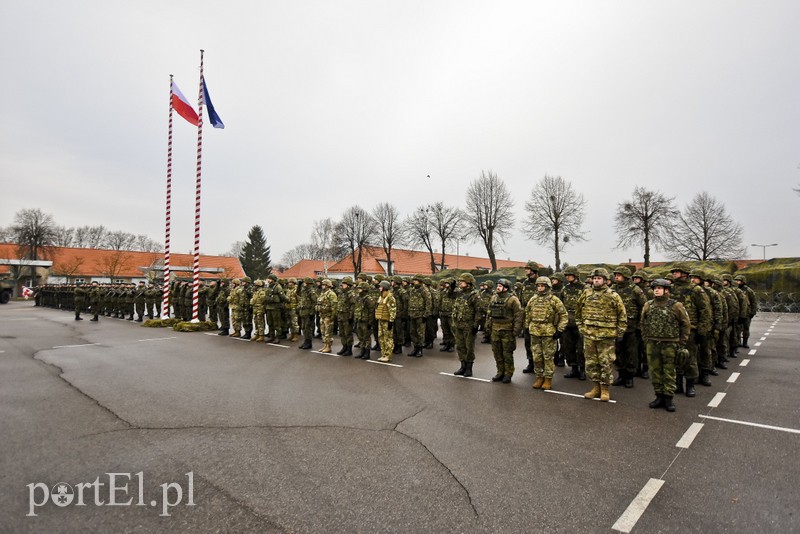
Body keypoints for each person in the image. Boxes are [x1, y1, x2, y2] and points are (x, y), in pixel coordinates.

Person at [575, 268, 627, 402]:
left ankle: (605, 389)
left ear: (605, 280)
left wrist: (620, 332)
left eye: (599, 278)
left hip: (606, 336)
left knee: (606, 363)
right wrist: (581, 328)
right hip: (589, 335)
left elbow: (622, 315)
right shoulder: (586, 293)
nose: (596, 280)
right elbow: (578, 312)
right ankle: (596, 387)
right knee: (592, 363)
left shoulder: (613, 295)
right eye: (594, 278)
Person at [640, 279, 691, 412]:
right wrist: (646, 339)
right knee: (655, 371)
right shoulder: (648, 305)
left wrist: (681, 342)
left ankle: (668, 398)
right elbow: (643, 323)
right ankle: (659, 396)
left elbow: (685, 325)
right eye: (655, 288)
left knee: (669, 372)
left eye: (659, 288)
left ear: (666, 290)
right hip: (652, 343)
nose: (656, 290)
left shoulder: (676, 306)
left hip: (670, 344)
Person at [669, 264, 711, 397]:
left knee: (690, 358)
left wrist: (702, 331)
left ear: (685, 273)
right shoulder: (670, 288)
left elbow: (705, 311)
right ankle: (678, 384)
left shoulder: (696, 290)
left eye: (677, 271)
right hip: (672, 329)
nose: (674, 274)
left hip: (690, 330)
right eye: (674, 271)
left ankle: (690, 385)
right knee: (675, 357)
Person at [525, 276, 568, 390]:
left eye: (542, 286)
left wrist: (559, 330)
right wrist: (527, 326)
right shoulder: (533, 299)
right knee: (537, 356)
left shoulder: (554, 300)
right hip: (534, 332)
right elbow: (527, 313)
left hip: (548, 332)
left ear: (548, 287)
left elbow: (564, 315)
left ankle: (548, 379)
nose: (540, 288)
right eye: (538, 286)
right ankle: (539, 377)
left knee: (548, 357)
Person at [611, 267, 646, 388]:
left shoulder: (635, 289)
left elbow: (644, 307)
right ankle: (621, 374)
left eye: (619, 275)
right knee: (618, 352)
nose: (616, 277)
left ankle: (629, 376)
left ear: (625, 276)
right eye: (615, 275)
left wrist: (639, 325)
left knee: (631, 353)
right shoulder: (612, 289)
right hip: (616, 327)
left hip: (631, 327)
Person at [486, 278, 524, 383]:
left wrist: (516, 330)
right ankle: (500, 372)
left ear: (506, 288)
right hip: (495, 329)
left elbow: (518, 315)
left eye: (500, 286)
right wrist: (487, 326)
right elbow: (489, 313)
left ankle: (508, 374)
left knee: (507, 354)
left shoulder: (513, 299)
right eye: (497, 285)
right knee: (497, 353)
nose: (497, 287)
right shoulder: (493, 297)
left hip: (507, 330)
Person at [451, 273, 482, 377]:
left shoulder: (474, 295)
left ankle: (469, 368)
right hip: (458, 324)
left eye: (462, 281)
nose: (460, 283)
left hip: (469, 325)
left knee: (469, 348)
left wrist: (476, 324)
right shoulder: (459, 293)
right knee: (460, 346)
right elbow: (449, 295)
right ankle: (462, 366)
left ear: (469, 283)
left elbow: (478, 311)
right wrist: (451, 287)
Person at [561, 266, 587, 380]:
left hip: (580, 323)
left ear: (576, 275)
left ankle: (582, 369)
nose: (567, 277)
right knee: (568, 348)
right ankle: (574, 368)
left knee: (581, 349)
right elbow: (561, 305)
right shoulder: (565, 289)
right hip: (567, 323)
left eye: (569, 275)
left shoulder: (585, 289)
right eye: (566, 275)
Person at [518, 261, 540, 374]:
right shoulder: (525, 283)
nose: (526, 270)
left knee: (539, 343)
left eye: (528, 268)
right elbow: (522, 300)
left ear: (533, 270)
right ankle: (530, 363)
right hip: (527, 317)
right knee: (528, 342)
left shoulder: (541, 283)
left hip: (538, 316)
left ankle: (540, 365)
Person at [407, 274, 431, 357]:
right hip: (412, 314)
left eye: (415, 280)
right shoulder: (412, 290)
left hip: (420, 315)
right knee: (412, 332)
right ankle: (415, 348)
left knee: (420, 333)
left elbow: (428, 303)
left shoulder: (424, 290)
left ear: (420, 281)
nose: (414, 281)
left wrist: (426, 315)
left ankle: (420, 349)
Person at [375, 280, 397, 362]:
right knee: (381, 337)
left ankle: (388, 355)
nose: (379, 288)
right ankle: (383, 354)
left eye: (381, 287)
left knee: (388, 338)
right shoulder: (381, 297)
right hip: (381, 320)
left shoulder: (390, 298)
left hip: (387, 321)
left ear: (385, 288)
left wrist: (391, 321)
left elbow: (393, 310)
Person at [734, 275, 758, 348]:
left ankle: (745, 342)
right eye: (736, 280)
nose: (737, 282)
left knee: (746, 328)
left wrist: (753, 312)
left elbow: (753, 301)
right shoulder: (734, 289)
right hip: (738, 312)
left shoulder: (748, 290)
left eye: (739, 281)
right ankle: (738, 342)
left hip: (747, 312)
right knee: (737, 329)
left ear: (743, 281)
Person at [335, 277, 356, 356]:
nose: (342, 285)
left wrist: (351, 316)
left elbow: (353, 306)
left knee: (348, 333)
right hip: (341, 315)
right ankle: (344, 347)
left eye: (344, 284)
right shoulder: (341, 293)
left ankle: (349, 349)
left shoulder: (351, 293)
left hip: (347, 316)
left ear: (348, 285)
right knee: (341, 333)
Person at [354, 281, 375, 359]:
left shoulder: (368, 299)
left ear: (364, 289)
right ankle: (362, 351)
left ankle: (367, 352)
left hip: (366, 321)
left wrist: (370, 322)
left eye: (360, 289)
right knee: (361, 337)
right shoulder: (358, 298)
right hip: (359, 319)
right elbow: (356, 309)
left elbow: (372, 311)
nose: (358, 290)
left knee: (366, 337)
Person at [316, 279, 338, 353]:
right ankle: (325, 345)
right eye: (322, 285)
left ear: (328, 286)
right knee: (323, 332)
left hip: (328, 316)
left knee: (328, 333)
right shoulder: (323, 293)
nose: (322, 286)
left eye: (324, 285)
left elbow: (334, 306)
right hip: (322, 315)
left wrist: (332, 317)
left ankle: (328, 347)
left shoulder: (332, 294)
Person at [298, 277, 318, 350]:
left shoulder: (311, 291)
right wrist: (298, 286)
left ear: (307, 283)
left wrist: (312, 313)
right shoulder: (304, 290)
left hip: (308, 312)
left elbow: (315, 302)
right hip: (303, 311)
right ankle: (306, 341)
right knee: (303, 327)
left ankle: (309, 342)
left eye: (304, 282)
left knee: (307, 328)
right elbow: (298, 294)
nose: (303, 283)